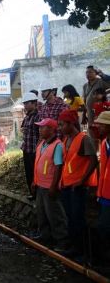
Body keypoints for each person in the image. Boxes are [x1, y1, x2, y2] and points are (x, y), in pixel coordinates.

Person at [58, 109, 99, 259]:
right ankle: (74, 247)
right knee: (70, 217)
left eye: (62, 124)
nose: (60, 127)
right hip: (67, 185)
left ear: (70, 124)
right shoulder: (66, 139)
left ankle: (84, 252)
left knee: (78, 218)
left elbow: (93, 161)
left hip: (79, 187)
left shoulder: (84, 139)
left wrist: (81, 181)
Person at [30, 118, 69, 253]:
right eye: (40, 128)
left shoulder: (57, 145)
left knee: (55, 214)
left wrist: (54, 185)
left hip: (50, 186)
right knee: (42, 212)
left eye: (43, 128)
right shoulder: (42, 144)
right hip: (40, 184)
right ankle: (45, 235)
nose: (40, 130)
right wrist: (34, 181)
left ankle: (62, 241)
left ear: (52, 130)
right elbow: (38, 164)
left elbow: (58, 166)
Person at [94, 111, 110, 268]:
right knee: (103, 227)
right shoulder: (104, 143)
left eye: (101, 124)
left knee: (105, 226)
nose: (98, 126)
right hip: (104, 193)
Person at [20, 92, 41, 200]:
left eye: (27, 103)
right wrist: (22, 130)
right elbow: (22, 127)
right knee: (29, 173)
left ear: (34, 103)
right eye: (24, 104)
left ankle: (38, 194)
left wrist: (39, 147)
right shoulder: (27, 116)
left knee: (35, 173)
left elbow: (42, 132)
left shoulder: (39, 115)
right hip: (26, 148)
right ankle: (32, 193)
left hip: (35, 149)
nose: (25, 106)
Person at [82, 65, 110, 139]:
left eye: (90, 72)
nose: (88, 74)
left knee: (103, 137)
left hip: (101, 117)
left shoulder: (101, 81)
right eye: (86, 72)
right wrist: (84, 115)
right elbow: (85, 101)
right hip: (91, 117)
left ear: (95, 73)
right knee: (93, 137)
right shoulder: (85, 86)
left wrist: (103, 75)